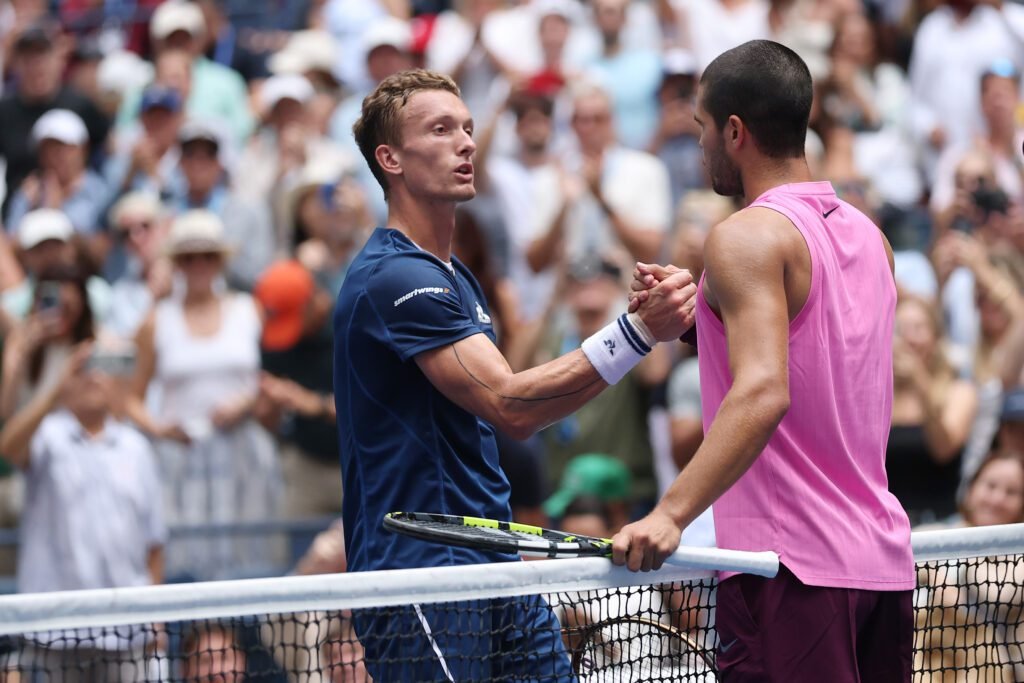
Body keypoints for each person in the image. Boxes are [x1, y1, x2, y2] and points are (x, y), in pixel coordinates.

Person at [333, 68, 695, 680]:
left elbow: (520, 414)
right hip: (425, 574)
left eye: (468, 128)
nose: (467, 143)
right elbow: (513, 405)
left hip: (496, 563)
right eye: (442, 129)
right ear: (389, 158)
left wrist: (637, 331)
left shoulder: (456, 278)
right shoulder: (394, 279)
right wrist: (635, 333)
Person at [615, 40, 915, 681]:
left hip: (789, 571)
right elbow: (823, 358)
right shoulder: (872, 237)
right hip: (883, 569)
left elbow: (764, 391)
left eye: (701, 129)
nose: (699, 148)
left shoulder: (743, 236)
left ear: (734, 131)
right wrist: (704, 317)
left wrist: (670, 513)